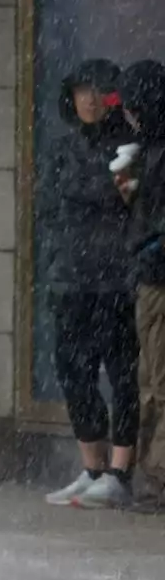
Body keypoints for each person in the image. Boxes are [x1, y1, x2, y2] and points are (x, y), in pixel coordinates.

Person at [37, 60, 140, 509]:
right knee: (73, 372)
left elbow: (128, 204)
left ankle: (120, 471)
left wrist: (97, 197)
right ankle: (92, 467)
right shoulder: (61, 149)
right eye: (82, 91)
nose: (90, 99)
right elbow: (48, 205)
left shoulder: (131, 146)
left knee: (123, 375)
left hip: (116, 281)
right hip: (69, 280)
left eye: (98, 91)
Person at [116, 59, 165, 514]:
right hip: (150, 276)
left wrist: (145, 254)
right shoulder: (150, 147)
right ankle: (151, 479)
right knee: (150, 382)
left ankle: (154, 480)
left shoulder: (156, 148)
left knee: (156, 384)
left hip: (157, 279)